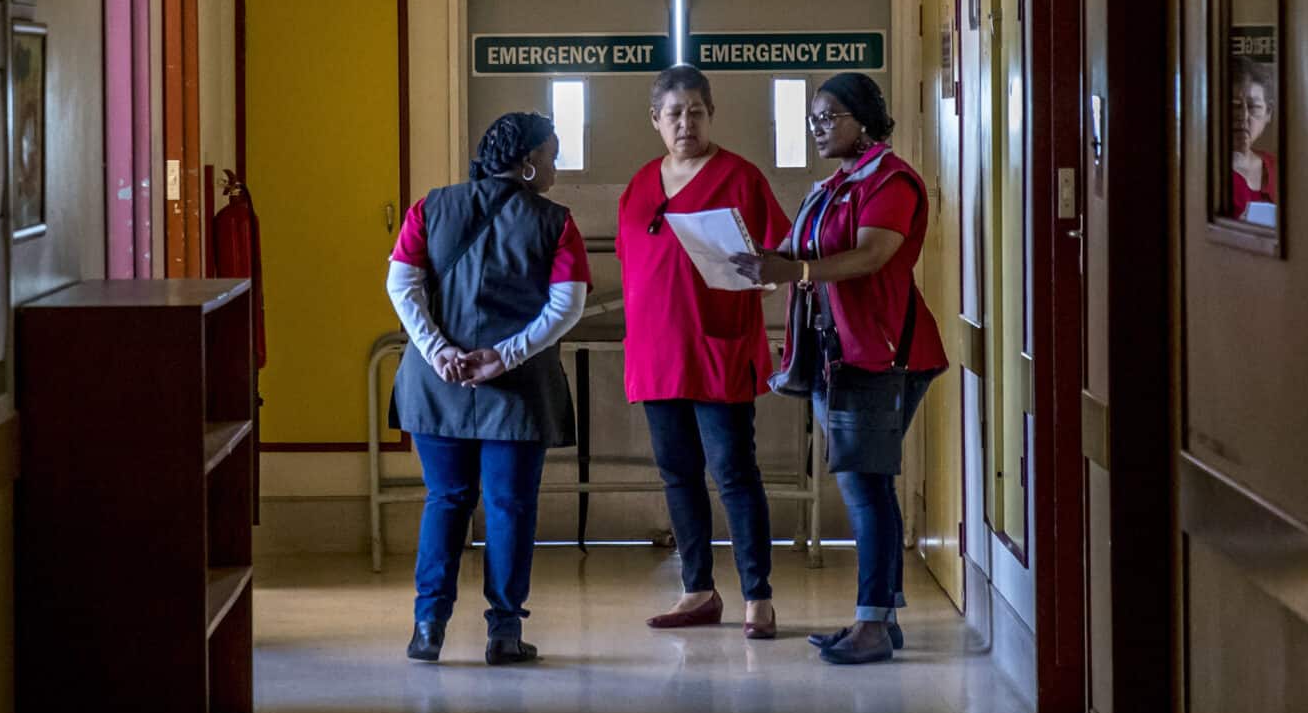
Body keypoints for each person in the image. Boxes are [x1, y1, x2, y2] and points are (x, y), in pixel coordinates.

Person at [735, 73, 947, 666]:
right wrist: (760, 260)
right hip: (836, 354)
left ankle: (873, 623)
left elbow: (873, 255)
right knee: (866, 481)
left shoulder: (891, 180)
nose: (817, 128)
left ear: (863, 120)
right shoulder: (833, 185)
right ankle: (880, 615)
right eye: (813, 118)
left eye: (828, 117)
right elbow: (800, 248)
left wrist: (793, 272)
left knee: (863, 486)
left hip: (878, 354)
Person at [385, 111, 591, 665]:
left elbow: (401, 285)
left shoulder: (430, 207)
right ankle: (503, 633)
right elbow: (567, 304)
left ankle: (428, 627)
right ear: (527, 164)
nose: (555, 164)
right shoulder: (556, 222)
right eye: (551, 153)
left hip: (437, 386)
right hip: (517, 390)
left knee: (446, 500)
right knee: (510, 506)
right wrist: (505, 356)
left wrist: (440, 351)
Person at [617, 65, 794, 640]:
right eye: (674, 113)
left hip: (717, 349)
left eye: (696, 111)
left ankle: (757, 595)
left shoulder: (741, 178)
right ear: (655, 121)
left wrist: (767, 276)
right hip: (657, 354)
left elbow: (781, 256)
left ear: (711, 114)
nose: (685, 123)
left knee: (735, 472)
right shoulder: (641, 185)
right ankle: (697, 590)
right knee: (677, 475)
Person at [1230, 60, 1278, 219]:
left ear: (1268, 113)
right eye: (1234, 106)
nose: (1242, 116)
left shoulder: (1278, 169)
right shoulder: (1202, 171)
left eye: (1253, 107)